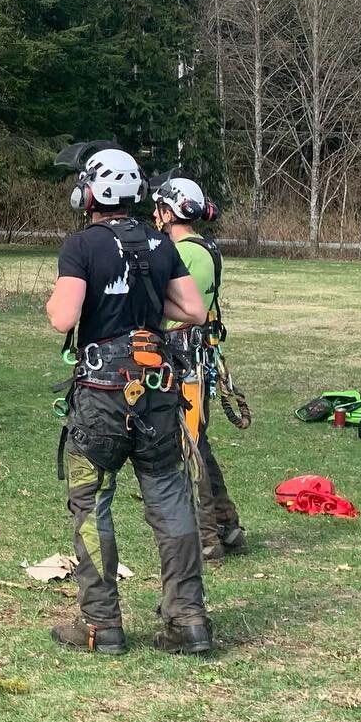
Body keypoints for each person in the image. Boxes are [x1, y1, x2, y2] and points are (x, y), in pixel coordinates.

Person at [45, 145, 213, 655]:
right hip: (157, 390)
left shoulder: (83, 245)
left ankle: (101, 623)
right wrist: (142, 297)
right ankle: (188, 620)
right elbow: (193, 310)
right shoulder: (161, 246)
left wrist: (76, 296)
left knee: (92, 503)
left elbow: (62, 318)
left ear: (93, 190)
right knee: (169, 497)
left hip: (100, 397)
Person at [151, 175, 247, 565]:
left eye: (158, 209)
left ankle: (207, 538)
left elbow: (161, 301)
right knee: (199, 442)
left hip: (182, 354)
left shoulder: (183, 254)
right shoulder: (207, 248)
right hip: (199, 354)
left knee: (187, 446)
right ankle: (227, 525)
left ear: (169, 211)